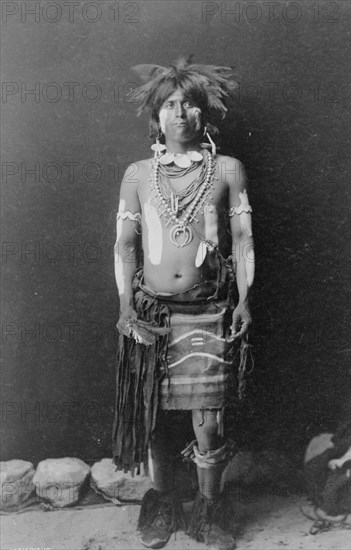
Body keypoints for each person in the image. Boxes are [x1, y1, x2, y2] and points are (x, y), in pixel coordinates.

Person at [112, 58, 255, 550]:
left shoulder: (227, 170)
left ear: (204, 116)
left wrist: (244, 301)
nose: (181, 114)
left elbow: (242, 240)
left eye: (190, 105)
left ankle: (210, 510)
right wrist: (126, 305)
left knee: (209, 420)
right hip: (151, 311)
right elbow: (125, 247)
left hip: (209, 309)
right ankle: (162, 504)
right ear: (157, 116)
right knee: (154, 416)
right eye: (171, 105)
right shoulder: (138, 174)